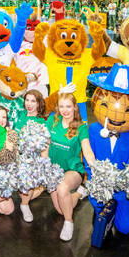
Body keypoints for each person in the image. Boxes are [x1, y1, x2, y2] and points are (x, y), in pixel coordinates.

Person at [46, 91, 89, 242]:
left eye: (68, 106)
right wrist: (43, 164)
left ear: (75, 107)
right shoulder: (52, 121)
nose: (65, 110)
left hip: (72, 170)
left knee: (62, 188)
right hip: (53, 171)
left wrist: (95, 166)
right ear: (57, 107)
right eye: (61, 106)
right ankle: (79, 194)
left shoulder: (82, 128)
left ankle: (69, 222)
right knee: (61, 210)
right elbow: (46, 144)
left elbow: (87, 149)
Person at [0, 105, 22, 217]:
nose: (1, 120)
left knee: (8, 210)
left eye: (4, 117)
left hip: (1, 180)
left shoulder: (9, 134)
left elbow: (15, 158)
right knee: (2, 196)